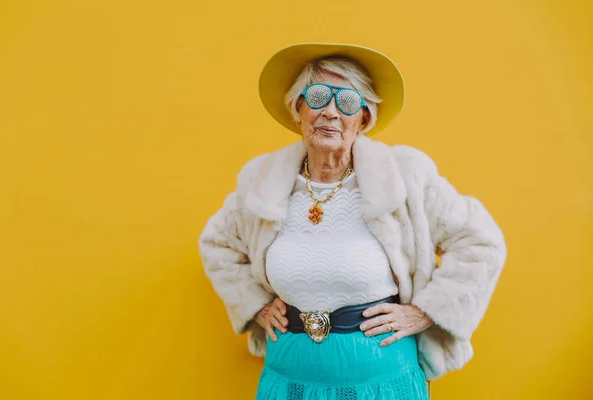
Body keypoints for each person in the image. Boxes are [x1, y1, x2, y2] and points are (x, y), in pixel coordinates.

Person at [199, 42, 507, 400]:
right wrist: (254, 304)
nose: (329, 111)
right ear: (297, 108)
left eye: (346, 101)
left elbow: (480, 242)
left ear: (363, 118)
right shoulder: (262, 180)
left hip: (380, 379)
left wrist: (426, 312)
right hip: (288, 378)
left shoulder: (404, 175)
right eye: (316, 96)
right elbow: (218, 243)